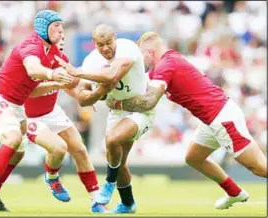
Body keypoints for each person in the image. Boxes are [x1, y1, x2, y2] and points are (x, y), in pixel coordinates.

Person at [106, 31, 267, 210]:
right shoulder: (165, 64)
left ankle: (234, 191)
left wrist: (118, 103)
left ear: (150, 52)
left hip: (222, 117)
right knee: (194, 158)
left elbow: (148, 102)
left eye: (142, 56)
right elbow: (134, 87)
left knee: (259, 168)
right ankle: (234, 192)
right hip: (210, 118)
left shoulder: (166, 65)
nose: (140, 62)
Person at [0, 9, 74, 212]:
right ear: (42, 28)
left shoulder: (54, 53)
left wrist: (87, 88)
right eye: (55, 25)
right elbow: (33, 70)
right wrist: (53, 75)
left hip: (17, 106)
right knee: (12, 139)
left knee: (18, 152)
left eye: (61, 25)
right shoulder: (31, 46)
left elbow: (38, 88)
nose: (60, 30)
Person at [55, 24, 155, 213]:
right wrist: (101, 90)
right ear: (94, 44)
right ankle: (127, 204)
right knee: (119, 161)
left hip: (140, 109)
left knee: (112, 139)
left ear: (114, 38)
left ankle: (108, 184)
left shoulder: (127, 48)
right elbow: (84, 99)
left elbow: (112, 75)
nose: (106, 48)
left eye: (109, 42)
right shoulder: (91, 60)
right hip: (116, 111)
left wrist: (78, 73)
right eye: (101, 44)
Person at [23, 35, 107, 213]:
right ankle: (52, 177)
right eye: (57, 41)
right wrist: (58, 82)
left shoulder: (63, 62)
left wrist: (85, 98)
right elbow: (31, 92)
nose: (60, 44)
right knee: (59, 148)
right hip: (28, 115)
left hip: (52, 112)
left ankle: (97, 201)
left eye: (63, 41)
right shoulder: (32, 61)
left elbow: (70, 87)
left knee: (79, 149)